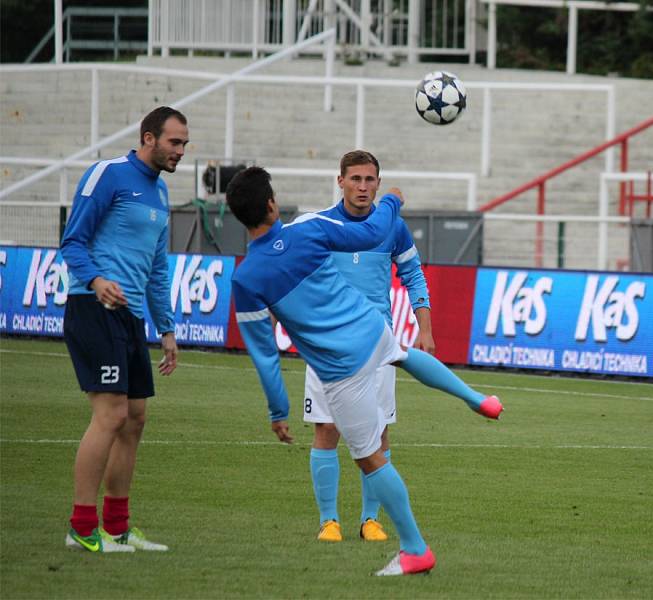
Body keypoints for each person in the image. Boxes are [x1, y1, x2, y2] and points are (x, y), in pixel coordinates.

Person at [227, 166, 501, 576]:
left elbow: (265, 353)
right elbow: (372, 233)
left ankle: (414, 550)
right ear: (271, 204)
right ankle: (476, 398)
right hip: (371, 327)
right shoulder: (310, 230)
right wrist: (390, 200)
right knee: (403, 354)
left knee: (371, 459)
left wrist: (277, 409)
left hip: (341, 368)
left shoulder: (245, 279)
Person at [60, 106, 190, 553]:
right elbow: (72, 240)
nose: (181, 151)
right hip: (92, 306)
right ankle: (82, 526)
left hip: (131, 315)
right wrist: (96, 281)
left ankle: (116, 527)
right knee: (112, 415)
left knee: (135, 419)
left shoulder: (160, 194)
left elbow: (157, 269)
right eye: (175, 142)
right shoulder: (107, 175)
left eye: (184, 144)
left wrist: (167, 330)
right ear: (149, 138)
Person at [306, 150, 434, 544]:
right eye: (355, 179)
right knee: (327, 429)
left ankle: (369, 520)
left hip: (377, 345)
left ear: (379, 183)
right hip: (328, 344)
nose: (363, 187)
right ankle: (329, 521)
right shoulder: (321, 225)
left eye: (370, 180)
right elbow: (296, 272)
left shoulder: (391, 227)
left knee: (377, 435)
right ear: (340, 181)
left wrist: (424, 329)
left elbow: (413, 275)